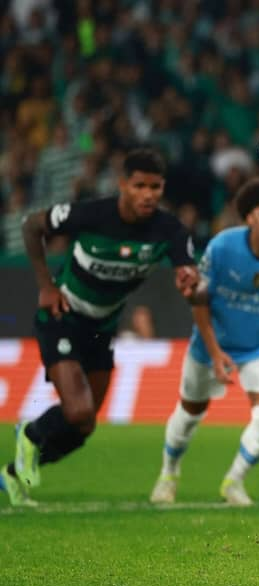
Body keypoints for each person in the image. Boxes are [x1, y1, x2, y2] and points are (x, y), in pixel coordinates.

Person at [1, 149, 199, 507]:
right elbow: (31, 225)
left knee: (84, 425)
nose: (148, 195)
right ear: (123, 184)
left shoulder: (169, 230)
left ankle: (13, 474)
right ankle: (29, 433)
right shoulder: (92, 214)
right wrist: (45, 286)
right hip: (62, 317)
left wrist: (187, 278)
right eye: (139, 186)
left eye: (155, 187)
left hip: (102, 328)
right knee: (77, 410)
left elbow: (186, 268)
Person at [149, 176, 259, 506]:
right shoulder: (223, 247)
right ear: (249, 217)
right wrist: (215, 352)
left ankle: (234, 481)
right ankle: (168, 473)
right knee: (190, 412)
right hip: (211, 343)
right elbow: (199, 300)